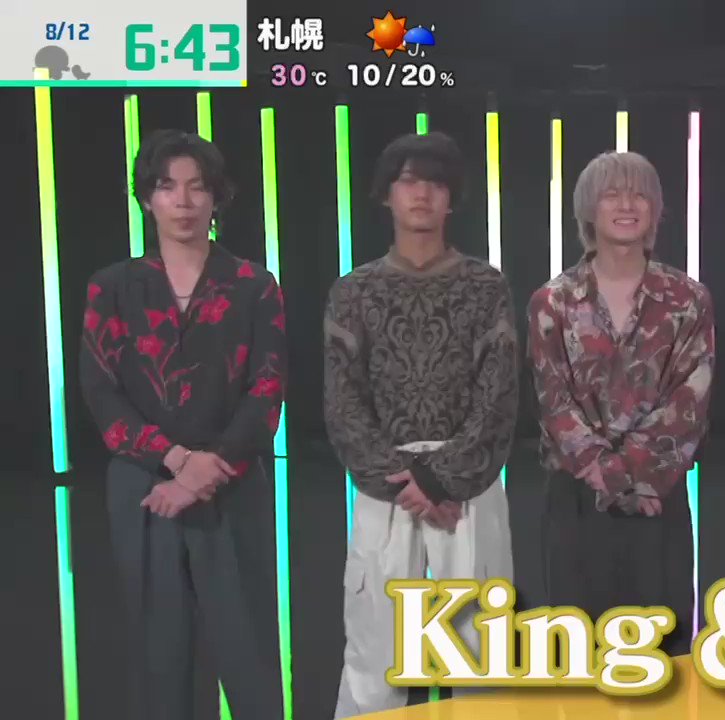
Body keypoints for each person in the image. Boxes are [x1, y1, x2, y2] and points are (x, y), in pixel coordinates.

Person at [79, 130, 286, 719]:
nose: (184, 201)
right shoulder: (112, 287)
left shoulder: (253, 285)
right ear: (148, 198)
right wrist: (175, 463)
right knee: (158, 651)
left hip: (233, 482)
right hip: (145, 488)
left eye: (198, 187)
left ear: (216, 197)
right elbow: (101, 392)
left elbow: (267, 390)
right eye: (168, 187)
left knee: (247, 649)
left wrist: (204, 472)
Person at [326, 132, 519, 717]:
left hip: (468, 490)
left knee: (480, 653)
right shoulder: (354, 291)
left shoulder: (485, 286)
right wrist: (403, 481)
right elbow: (343, 402)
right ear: (386, 194)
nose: (422, 194)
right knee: (374, 655)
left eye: (435, 183)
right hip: (385, 491)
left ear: (451, 198)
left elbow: (499, 397)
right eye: (408, 180)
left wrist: (440, 479)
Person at [528, 151, 714, 657]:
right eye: (612, 194)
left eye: (638, 195)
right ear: (589, 208)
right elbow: (553, 401)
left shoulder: (688, 299)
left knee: (662, 658)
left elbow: (690, 400)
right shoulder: (552, 302)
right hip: (575, 502)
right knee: (577, 656)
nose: (627, 205)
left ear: (655, 210)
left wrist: (636, 475)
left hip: (659, 496)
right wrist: (610, 477)